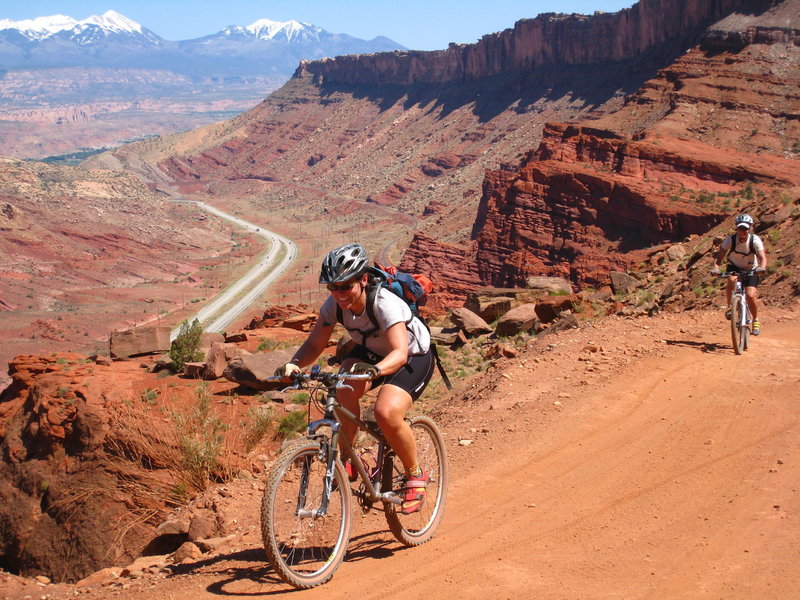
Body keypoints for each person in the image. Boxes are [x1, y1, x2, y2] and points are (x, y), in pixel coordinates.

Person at [274, 243, 435, 514]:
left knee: (386, 412)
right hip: (372, 350)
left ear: (362, 279)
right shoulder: (334, 306)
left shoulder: (384, 304)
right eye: (332, 287)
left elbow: (399, 352)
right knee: (341, 389)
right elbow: (314, 345)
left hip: (411, 355)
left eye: (345, 286)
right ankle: (350, 459)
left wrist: (375, 371)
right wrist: (293, 364)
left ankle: (415, 475)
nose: (338, 294)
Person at [711, 214, 767, 335]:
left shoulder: (755, 240)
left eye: (745, 229)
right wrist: (716, 267)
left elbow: (762, 257)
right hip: (734, 266)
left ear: (749, 229)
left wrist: (762, 267)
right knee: (731, 280)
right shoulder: (730, 240)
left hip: (751, 268)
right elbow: (720, 256)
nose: (743, 232)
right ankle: (730, 307)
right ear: (736, 228)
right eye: (740, 229)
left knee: (750, 296)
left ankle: (755, 320)